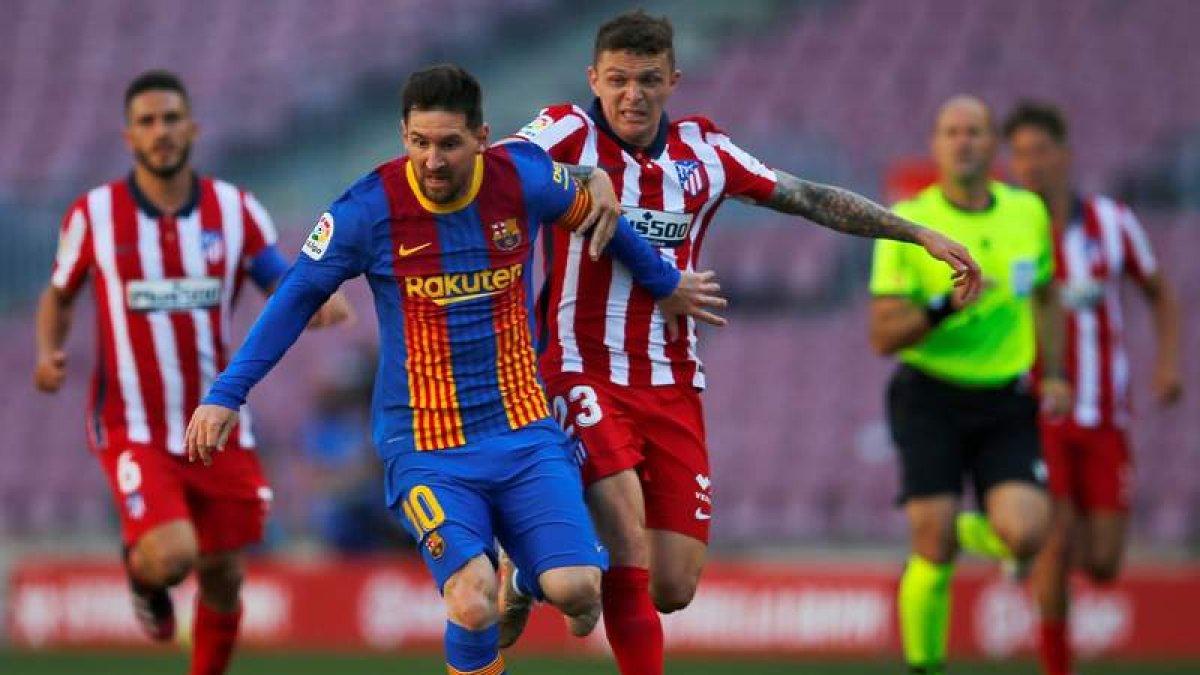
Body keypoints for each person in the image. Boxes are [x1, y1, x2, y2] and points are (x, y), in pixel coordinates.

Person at [185, 64, 726, 675]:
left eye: (448, 144)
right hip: (425, 444)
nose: (433, 161)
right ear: (403, 136)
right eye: (419, 143)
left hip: (523, 432)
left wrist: (662, 282)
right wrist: (226, 394)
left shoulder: (521, 181)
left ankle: (523, 577)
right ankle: (495, 593)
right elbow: (294, 297)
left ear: (482, 138)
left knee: (578, 591)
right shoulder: (368, 209)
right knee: (471, 600)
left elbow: (602, 220)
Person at [500, 10, 982, 675]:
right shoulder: (565, 130)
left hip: (671, 383)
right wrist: (582, 180)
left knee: (674, 584)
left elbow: (807, 195)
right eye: (617, 80)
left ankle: (529, 572)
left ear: (673, 80)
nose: (631, 95)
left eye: (647, 80)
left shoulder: (705, 154)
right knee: (626, 535)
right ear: (594, 78)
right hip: (579, 370)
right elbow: (498, 167)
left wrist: (916, 232)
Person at [33, 70, 351, 675]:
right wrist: (50, 349)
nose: (162, 132)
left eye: (171, 118)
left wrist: (314, 297)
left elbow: (277, 281)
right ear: (129, 136)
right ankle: (142, 574)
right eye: (148, 122)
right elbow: (58, 291)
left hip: (216, 421)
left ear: (192, 128)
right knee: (175, 554)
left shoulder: (235, 210)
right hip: (134, 424)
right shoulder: (95, 215)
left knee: (226, 575)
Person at [868, 94, 1073, 675]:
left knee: (1028, 534)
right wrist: (942, 308)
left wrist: (1053, 371)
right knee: (930, 549)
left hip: (1005, 399)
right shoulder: (906, 223)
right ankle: (922, 667)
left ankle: (949, 524)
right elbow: (883, 336)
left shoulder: (1027, 213)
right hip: (929, 394)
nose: (963, 141)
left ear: (993, 145)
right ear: (935, 144)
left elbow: (1047, 292)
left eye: (975, 131)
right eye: (952, 131)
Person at [1003, 100, 1183, 675]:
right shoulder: (1010, 230)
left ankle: (1026, 553)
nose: (1029, 164)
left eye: (1039, 151)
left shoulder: (1113, 222)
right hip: (1039, 410)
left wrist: (1168, 364)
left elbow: (1160, 292)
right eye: (1020, 154)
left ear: (1065, 154)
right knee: (1057, 541)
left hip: (1106, 411)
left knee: (1104, 561)